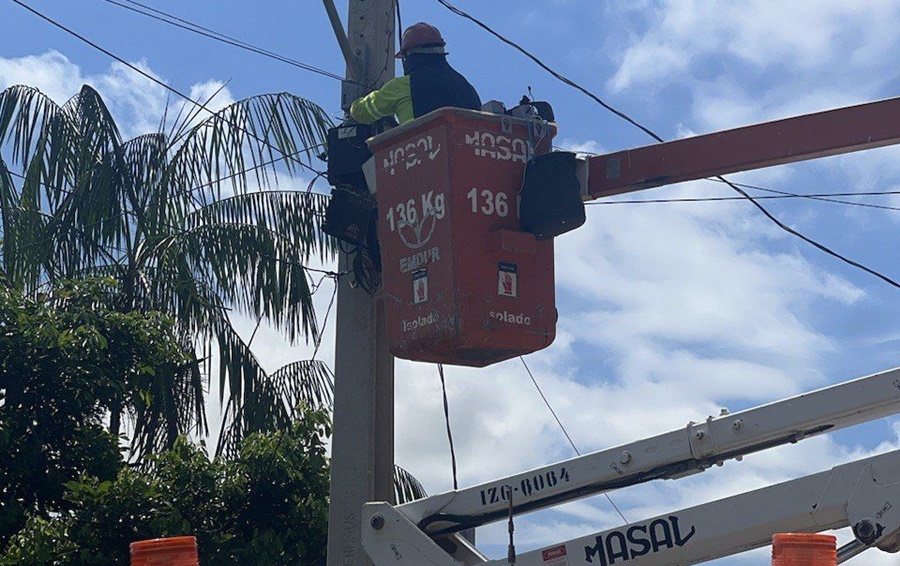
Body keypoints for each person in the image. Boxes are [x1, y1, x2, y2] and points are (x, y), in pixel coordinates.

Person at [350, 22, 481, 125]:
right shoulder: (465, 86)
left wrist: (354, 103)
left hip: (419, 155)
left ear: (411, 55)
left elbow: (360, 113)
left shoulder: (403, 85)